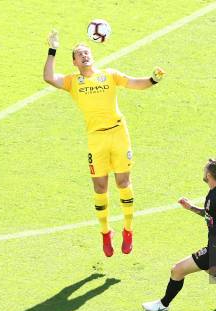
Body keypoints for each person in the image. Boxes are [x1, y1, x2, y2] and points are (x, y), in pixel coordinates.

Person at [43, 29, 166, 257]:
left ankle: (128, 231)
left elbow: (134, 83)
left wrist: (152, 80)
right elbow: (49, 77)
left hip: (118, 133)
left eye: (87, 51)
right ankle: (105, 233)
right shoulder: (73, 82)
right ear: (74, 62)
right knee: (100, 187)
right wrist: (52, 50)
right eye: (80, 54)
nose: (84, 55)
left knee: (123, 182)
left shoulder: (109, 75)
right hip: (96, 138)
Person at [142, 159, 216, 311]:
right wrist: (191, 207)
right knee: (215, 271)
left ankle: (163, 304)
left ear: (209, 175)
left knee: (177, 270)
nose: (203, 171)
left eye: (205, 170)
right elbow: (212, 214)